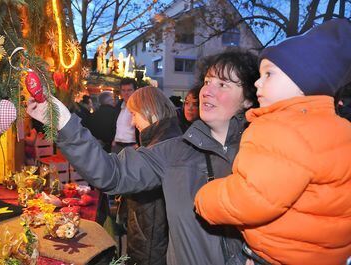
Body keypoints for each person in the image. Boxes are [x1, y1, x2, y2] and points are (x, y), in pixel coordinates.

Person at [26, 49, 259, 265]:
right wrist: (63, 123)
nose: (207, 90)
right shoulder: (175, 152)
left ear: (248, 98)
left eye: (223, 83)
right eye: (207, 81)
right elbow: (113, 174)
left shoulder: (265, 154)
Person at [194, 19, 351, 265]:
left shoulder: (283, 128)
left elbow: (253, 197)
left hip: (277, 254)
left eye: (269, 74)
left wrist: (205, 199)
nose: (257, 82)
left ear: (303, 83)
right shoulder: (340, 128)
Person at [124, 86, 181, 265]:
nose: (132, 122)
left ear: (149, 110)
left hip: (150, 250)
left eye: (134, 114)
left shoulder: (161, 148)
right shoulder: (164, 142)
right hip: (150, 244)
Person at [111, 78, 138, 153]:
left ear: (135, 91)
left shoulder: (139, 107)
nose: (126, 93)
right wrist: (113, 140)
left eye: (129, 90)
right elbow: (113, 124)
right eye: (123, 90)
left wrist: (139, 145)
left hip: (132, 146)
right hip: (117, 146)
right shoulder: (118, 106)